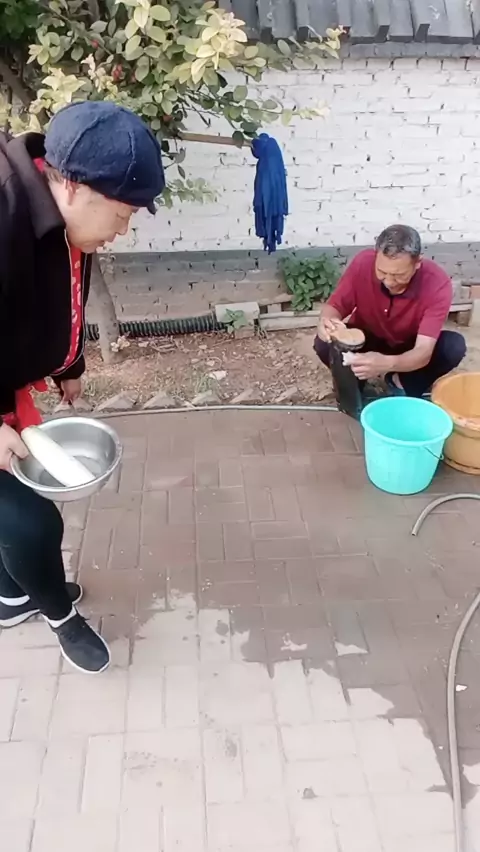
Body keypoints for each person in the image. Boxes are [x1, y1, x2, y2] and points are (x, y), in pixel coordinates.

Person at [0, 101, 164, 673]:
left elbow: (64, 285)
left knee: (11, 520)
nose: (123, 230)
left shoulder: (60, 210)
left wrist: (68, 362)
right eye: (121, 214)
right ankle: (59, 614)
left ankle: (11, 593)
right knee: (32, 522)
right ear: (71, 185)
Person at [314, 224, 466, 396]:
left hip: (409, 344)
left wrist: (387, 363)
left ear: (417, 263)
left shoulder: (437, 284)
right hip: (367, 337)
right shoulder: (363, 263)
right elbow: (335, 306)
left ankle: (401, 381)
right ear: (376, 256)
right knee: (325, 344)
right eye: (381, 272)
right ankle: (356, 381)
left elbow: (423, 351)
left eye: (399, 275)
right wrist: (328, 323)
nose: (389, 282)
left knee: (453, 347)